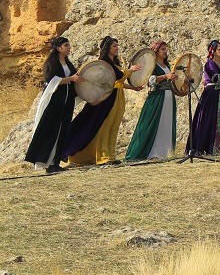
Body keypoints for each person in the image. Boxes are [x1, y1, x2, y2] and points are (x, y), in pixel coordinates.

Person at [63, 36, 144, 166]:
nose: (117, 48)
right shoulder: (103, 63)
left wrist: (133, 88)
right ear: (107, 48)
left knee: (114, 126)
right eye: (114, 46)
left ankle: (111, 155)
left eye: (117, 45)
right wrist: (130, 70)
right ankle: (103, 156)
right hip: (108, 98)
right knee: (105, 126)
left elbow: (119, 82)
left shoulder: (115, 63)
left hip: (118, 96)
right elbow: (115, 77)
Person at [24, 36, 83, 173]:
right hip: (55, 102)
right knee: (52, 129)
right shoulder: (52, 62)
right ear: (58, 48)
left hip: (66, 102)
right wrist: (71, 79)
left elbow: (74, 79)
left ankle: (55, 162)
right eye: (66, 45)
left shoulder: (67, 64)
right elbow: (51, 81)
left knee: (63, 129)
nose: (69, 48)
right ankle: (47, 162)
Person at [125, 41, 178, 161]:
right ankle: (153, 153)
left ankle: (165, 152)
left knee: (166, 123)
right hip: (157, 97)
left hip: (169, 98)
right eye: (162, 49)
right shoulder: (153, 66)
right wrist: (166, 76)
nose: (165, 51)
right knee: (154, 124)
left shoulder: (167, 66)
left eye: (166, 49)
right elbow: (150, 80)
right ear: (156, 51)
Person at [186, 41, 220, 157]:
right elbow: (216, 79)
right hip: (213, 97)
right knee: (211, 122)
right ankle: (210, 149)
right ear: (213, 52)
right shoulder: (209, 64)